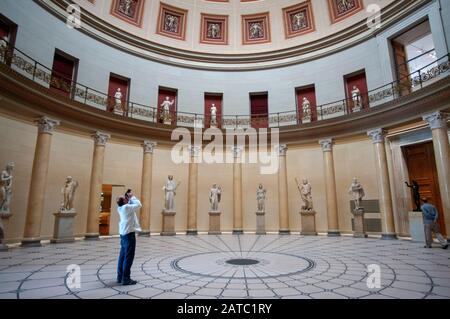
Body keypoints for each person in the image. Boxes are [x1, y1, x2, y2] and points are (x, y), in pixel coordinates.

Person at [116, 189, 142, 285]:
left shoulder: (120, 208)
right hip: (129, 235)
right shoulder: (127, 207)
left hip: (123, 235)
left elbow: (130, 204)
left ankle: (120, 277)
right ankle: (126, 278)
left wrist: (128, 198)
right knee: (128, 257)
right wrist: (132, 197)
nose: (127, 199)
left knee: (122, 256)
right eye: (125, 198)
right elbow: (139, 204)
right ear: (124, 202)